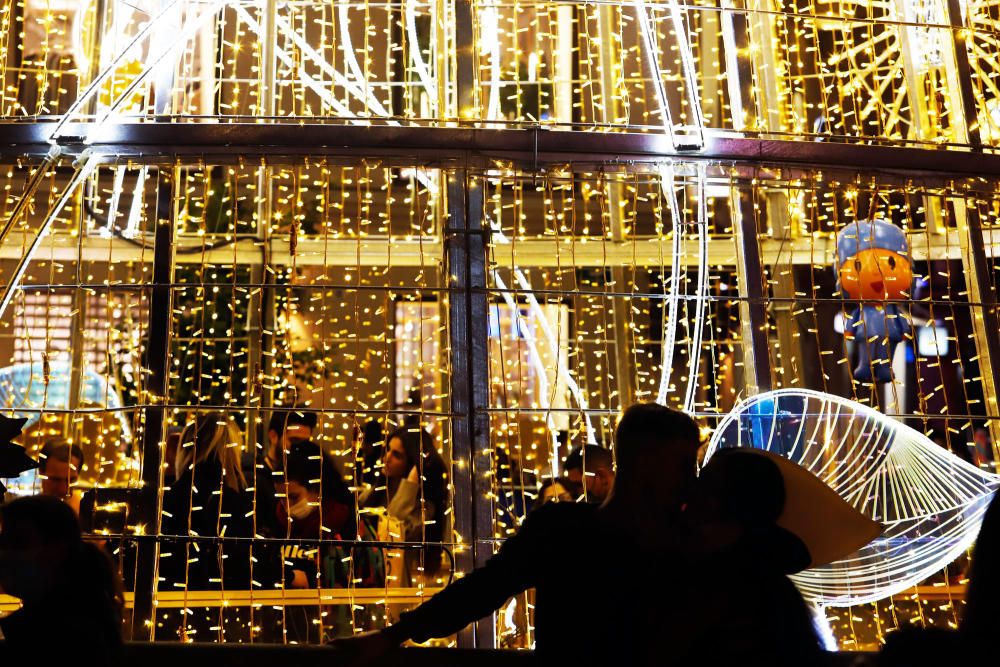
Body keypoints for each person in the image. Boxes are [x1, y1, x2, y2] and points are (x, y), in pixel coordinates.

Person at [335, 403, 701, 666]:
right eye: (684, 465)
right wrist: (395, 635)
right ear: (649, 465)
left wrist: (393, 636)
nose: (691, 477)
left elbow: (485, 587)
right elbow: (484, 588)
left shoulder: (564, 529)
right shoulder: (677, 542)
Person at [157, 413, 255, 641]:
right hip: (224, 615)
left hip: (170, 611)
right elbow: (244, 563)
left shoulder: (171, 496)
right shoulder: (236, 499)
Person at [0, 495, 124, 663]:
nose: (5, 554)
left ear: (58, 549)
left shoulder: (55, 636)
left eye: (18, 542)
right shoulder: (82, 620)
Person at [359, 427, 449, 583]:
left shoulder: (424, 507)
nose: (386, 458)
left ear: (411, 462)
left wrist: (410, 484)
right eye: (387, 450)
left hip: (398, 585)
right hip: (366, 580)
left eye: (397, 455)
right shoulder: (374, 493)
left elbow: (392, 531)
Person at [37, 438, 83, 502]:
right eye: (55, 480)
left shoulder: (85, 509)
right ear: (41, 472)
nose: (63, 490)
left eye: (71, 480)